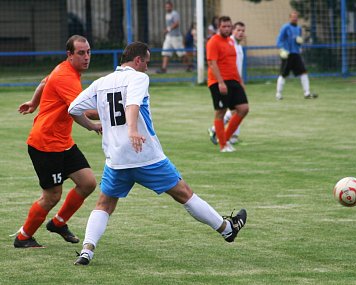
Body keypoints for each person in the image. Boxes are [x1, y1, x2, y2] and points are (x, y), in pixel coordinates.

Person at [68, 41, 247, 265]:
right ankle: (227, 229)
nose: (147, 68)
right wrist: (132, 130)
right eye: (147, 63)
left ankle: (87, 250)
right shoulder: (138, 78)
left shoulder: (102, 83)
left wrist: (92, 125)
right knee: (184, 193)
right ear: (138, 60)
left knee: (104, 205)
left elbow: (73, 109)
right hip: (145, 155)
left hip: (116, 158)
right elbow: (132, 104)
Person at [13, 35, 101, 248]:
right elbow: (80, 110)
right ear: (69, 55)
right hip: (45, 145)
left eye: (88, 52)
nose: (86, 57)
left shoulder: (64, 69)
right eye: (81, 53)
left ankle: (58, 223)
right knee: (52, 195)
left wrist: (34, 103)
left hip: (62, 142)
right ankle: (23, 237)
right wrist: (109, 115)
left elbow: (44, 82)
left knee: (87, 183)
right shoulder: (66, 76)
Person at [206, 16, 249, 152]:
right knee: (221, 112)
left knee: (243, 108)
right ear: (219, 27)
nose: (227, 29)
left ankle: (224, 138)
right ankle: (223, 145)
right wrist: (220, 82)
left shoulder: (231, 42)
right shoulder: (213, 41)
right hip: (219, 82)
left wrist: (240, 82)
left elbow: (233, 65)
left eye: (229, 26)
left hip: (234, 81)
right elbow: (212, 63)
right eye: (224, 26)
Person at [275, 11, 317, 100]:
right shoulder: (285, 27)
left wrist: (299, 43)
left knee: (304, 72)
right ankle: (278, 94)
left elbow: (298, 41)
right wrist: (281, 49)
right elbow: (279, 39)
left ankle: (307, 93)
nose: (294, 18)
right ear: (290, 18)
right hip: (287, 54)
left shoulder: (298, 28)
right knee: (283, 74)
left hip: (296, 54)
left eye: (296, 17)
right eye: (293, 17)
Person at [156, 1, 187, 74]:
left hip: (176, 37)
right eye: (166, 7)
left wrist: (168, 29)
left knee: (181, 54)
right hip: (169, 36)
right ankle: (164, 69)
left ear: (171, 6)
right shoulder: (167, 14)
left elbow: (177, 23)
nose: (167, 8)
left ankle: (189, 65)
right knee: (165, 52)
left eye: (168, 7)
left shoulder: (174, 14)